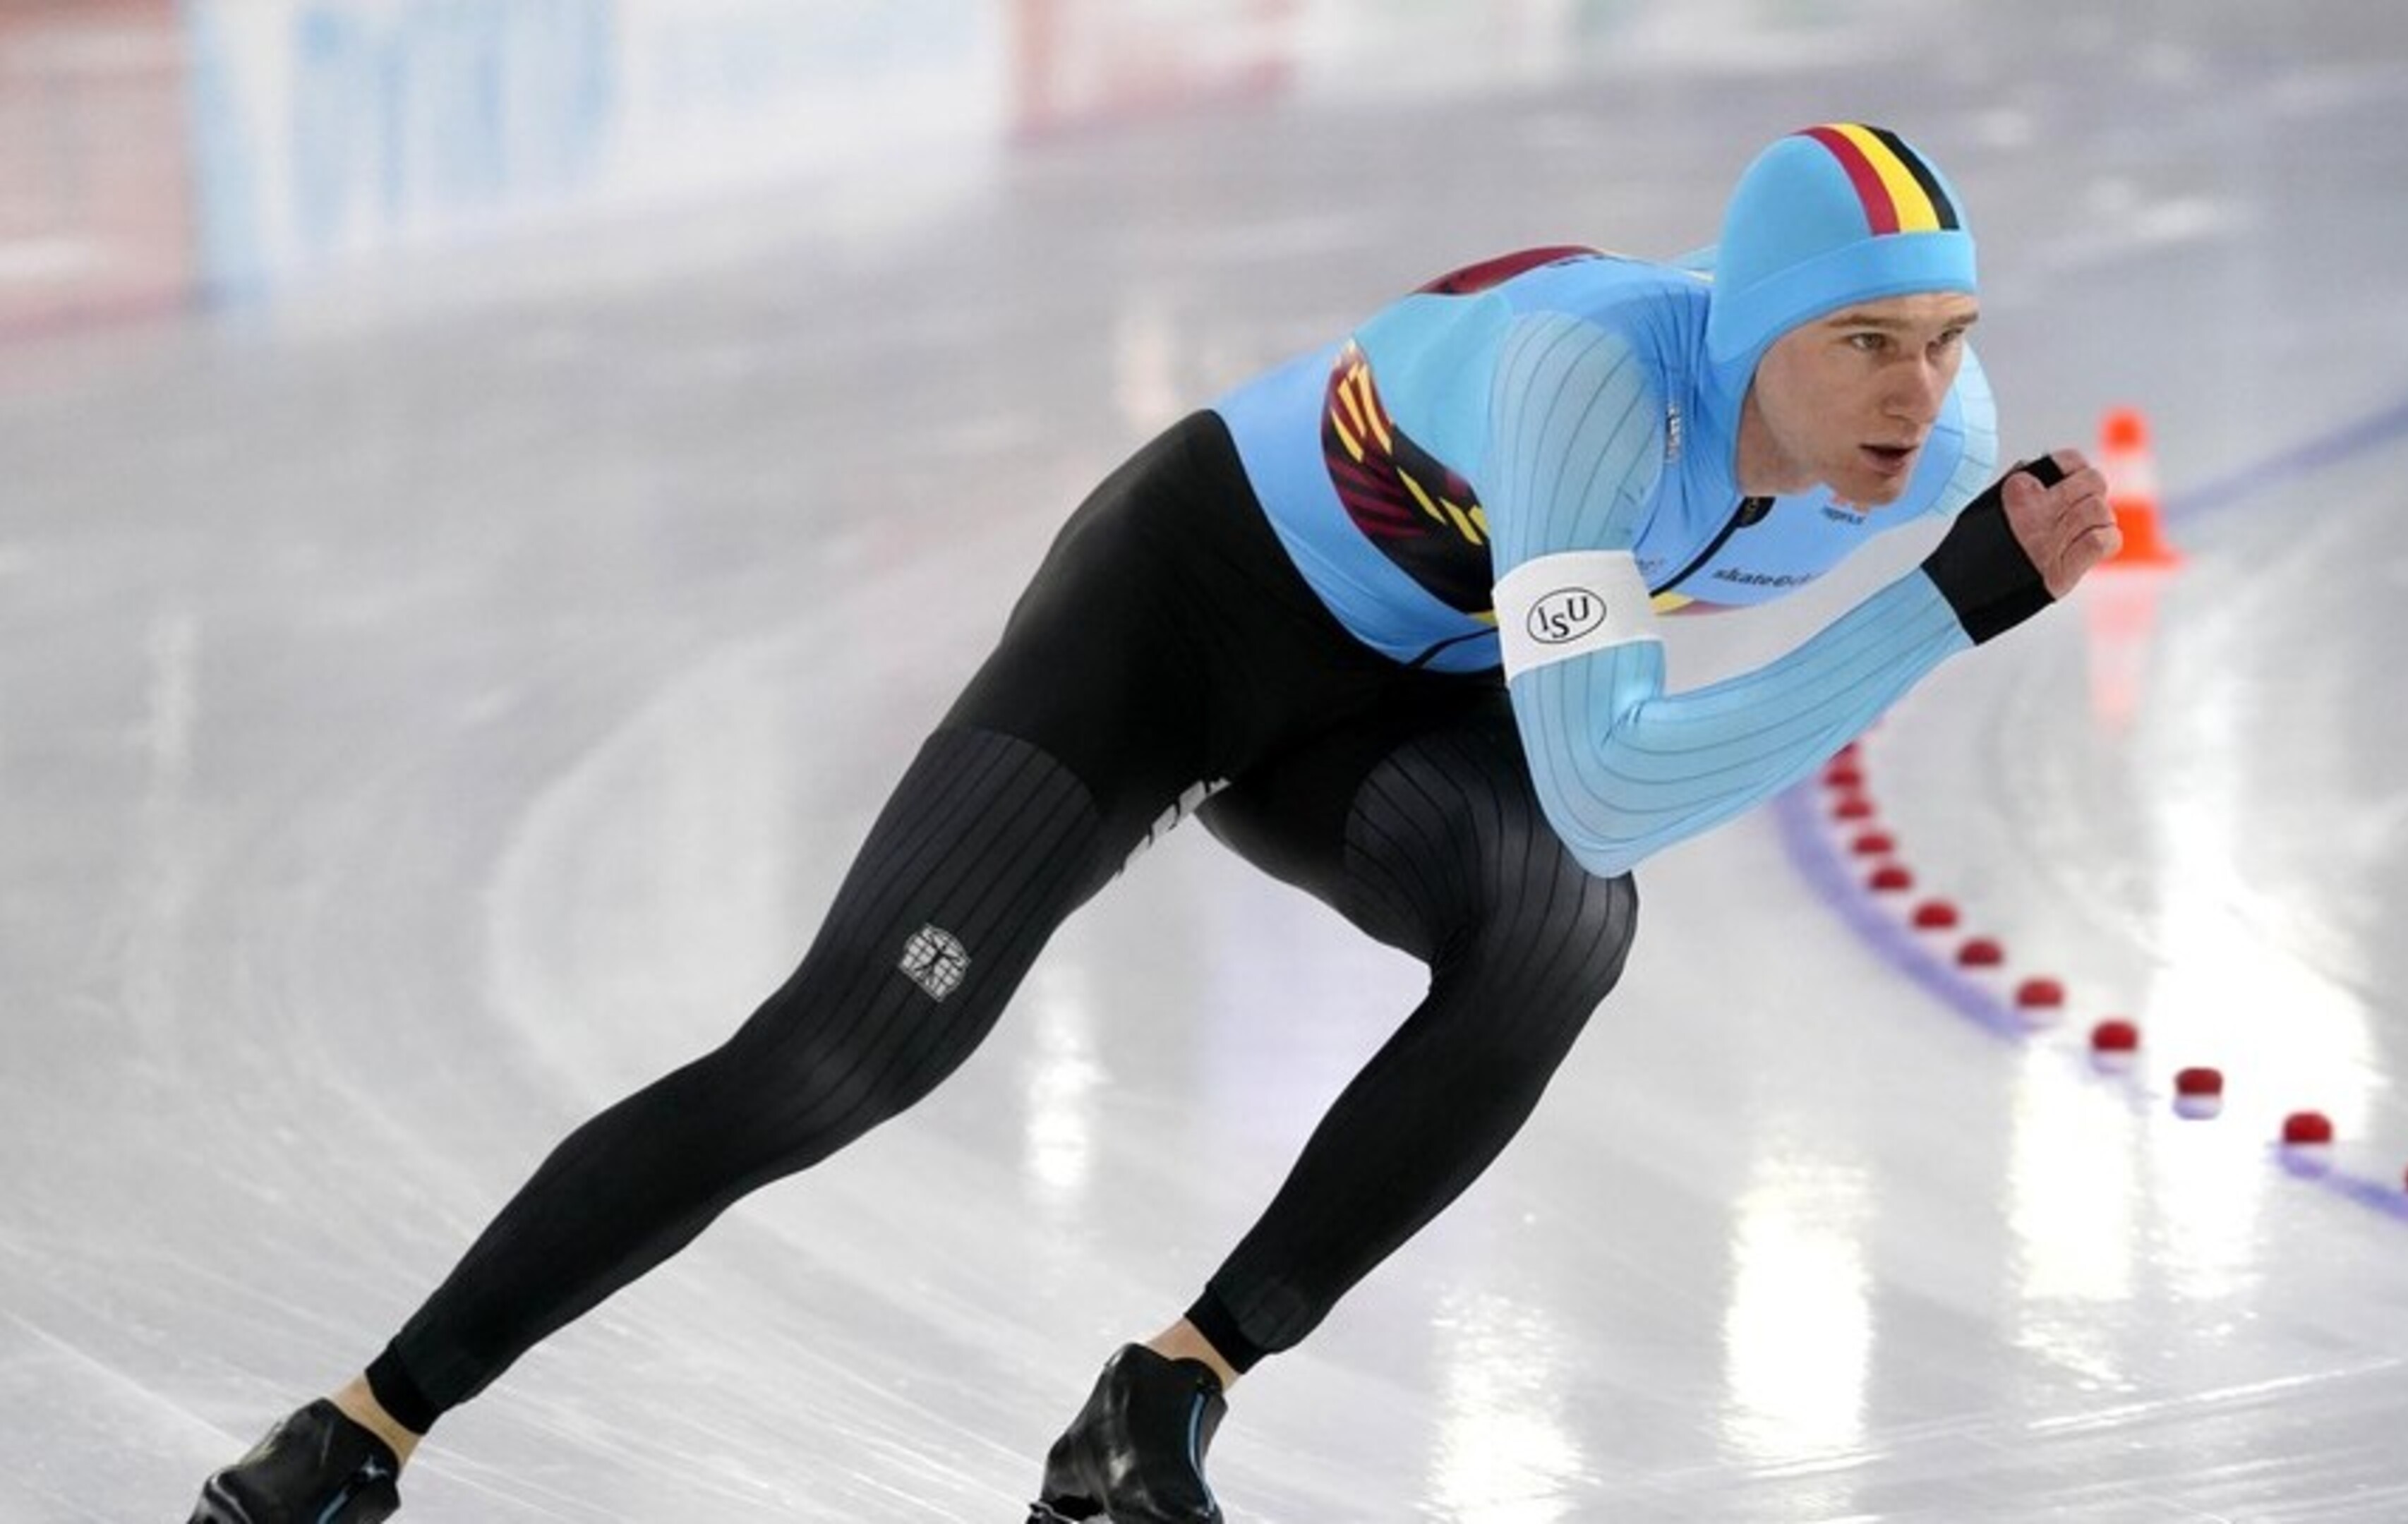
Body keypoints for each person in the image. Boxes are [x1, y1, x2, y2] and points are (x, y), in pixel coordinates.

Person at [188, 123, 2117, 1523]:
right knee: (851, 1049)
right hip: (1186, 616)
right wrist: (1936, 615)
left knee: (1558, 934)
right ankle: (357, 1430)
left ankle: (1159, 1403)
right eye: (1867, 341)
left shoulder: (1935, 445)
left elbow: (1593, 816)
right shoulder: (1593, 380)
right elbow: (1616, 780)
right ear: (1759, 329)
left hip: (1403, 691)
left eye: (1946, 336)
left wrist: (1929, 571)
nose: (1919, 391)